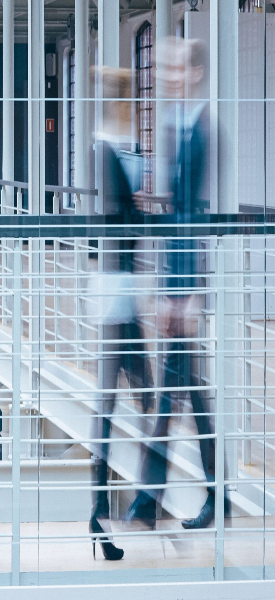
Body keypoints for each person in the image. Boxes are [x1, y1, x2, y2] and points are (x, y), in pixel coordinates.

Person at [125, 37, 227, 532]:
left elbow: (197, 220)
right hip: (177, 283)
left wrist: (184, 295)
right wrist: (159, 198)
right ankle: (177, 497)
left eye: (173, 67)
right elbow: (182, 208)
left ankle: (156, 499)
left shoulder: (202, 128)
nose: (165, 75)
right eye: (162, 67)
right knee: (183, 393)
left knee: (179, 394)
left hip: (185, 286)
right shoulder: (179, 125)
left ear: (193, 73)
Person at [87, 67, 152, 561]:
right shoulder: (106, 146)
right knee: (119, 399)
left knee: (135, 394)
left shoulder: (118, 143)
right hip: (115, 288)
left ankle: (134, 498)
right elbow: (118, 216)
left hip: (121, 284)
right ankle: (105, 509)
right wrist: (145, 208)